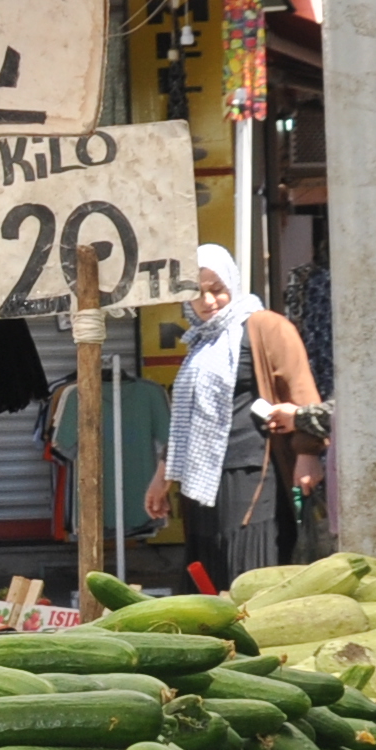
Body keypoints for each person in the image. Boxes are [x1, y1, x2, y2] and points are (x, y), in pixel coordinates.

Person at [143, 243, 325, 581]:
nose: (209, 302)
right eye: (198, 293)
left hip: (252, 472)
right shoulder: (199, 341)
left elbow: (302, 393)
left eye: (218, 290)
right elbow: (188, 417)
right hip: (201, 478)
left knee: (248, 565)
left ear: (233, 284)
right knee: (209, 569)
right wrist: (162, 474)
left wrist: (308, 453)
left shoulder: (264, 326)